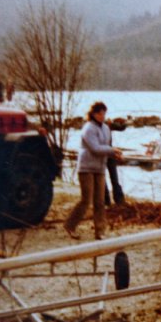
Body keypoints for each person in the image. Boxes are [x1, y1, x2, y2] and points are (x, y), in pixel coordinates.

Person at [64, 102, 122, 240]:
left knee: (100, 201)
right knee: (86, 200)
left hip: (99, 168)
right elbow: (95, 148)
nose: (102, 116)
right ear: (93, 114)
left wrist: (114, 154)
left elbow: (106, 147)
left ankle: (100, 231)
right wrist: (112, 150)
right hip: (86, 168)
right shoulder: (88, 128)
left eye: (104, 113)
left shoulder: (106, 128)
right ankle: (70, 225)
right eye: (99, 113)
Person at [104, 118, 127, 206]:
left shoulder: (107, 123)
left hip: (110, 153)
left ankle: (119, 200)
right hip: (101, 154)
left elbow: (121, 128)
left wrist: (123, 122)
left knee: (114, 178)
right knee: (103, 180)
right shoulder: (94, 127)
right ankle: (106, 201)